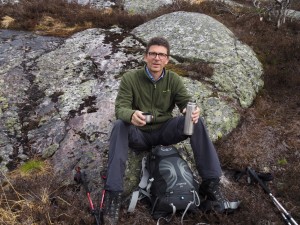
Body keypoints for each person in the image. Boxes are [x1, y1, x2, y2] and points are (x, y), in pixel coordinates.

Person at [103, 37, 227, 224]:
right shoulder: (130, 78)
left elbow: (185, 101)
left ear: (167, 60)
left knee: (195, 121)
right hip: (139, 134)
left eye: (161, 55)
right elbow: (120, 107)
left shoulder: (173, 79)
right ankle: (113, 194)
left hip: (164, 133)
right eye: (153, 53)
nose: (157, 58)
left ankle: (211, 182)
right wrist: (130, 114)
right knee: (120, 125)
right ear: (145, 56)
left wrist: (189, 111)